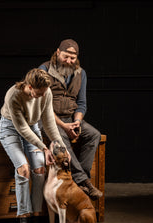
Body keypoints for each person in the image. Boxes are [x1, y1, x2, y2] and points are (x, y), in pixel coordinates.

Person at [0, 68, 66, 223]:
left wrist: (60, 146)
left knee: (39, 170)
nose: (43, 96)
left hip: (33, 128)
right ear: (29, 86)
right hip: (11, 130)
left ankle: (35, 219)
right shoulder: (14, 95)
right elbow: (21, 129)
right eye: (39, 93)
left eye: (45, 93)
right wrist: (44, 147)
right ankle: (23, 219)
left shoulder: (46, 91)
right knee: (24, 170)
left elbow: (49, 121)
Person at [39, 38, 102, 200]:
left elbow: (81, 103)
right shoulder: (44, 70)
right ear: (58, 52)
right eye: (65, 56)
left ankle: (80, 181)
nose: (68, 61)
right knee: (60, 136)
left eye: (72, 58)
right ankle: (84, 182)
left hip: (70, 118)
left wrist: (77, 122)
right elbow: (42, 106)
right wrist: (64, 126)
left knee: (94, 134)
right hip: (48, 119)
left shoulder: (81, 73)